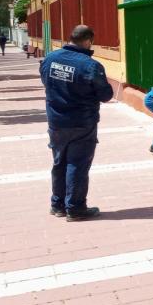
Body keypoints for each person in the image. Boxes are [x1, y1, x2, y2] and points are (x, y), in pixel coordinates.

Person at [40, 25, 114, 221]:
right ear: (88, 41)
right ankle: (75, 208)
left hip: (56, 121)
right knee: (77, 164)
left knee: (59, 162)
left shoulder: (50, 58)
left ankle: (57, 205)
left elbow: (46, 82)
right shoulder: (90, 65)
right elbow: (105, 95)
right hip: (82, 123)